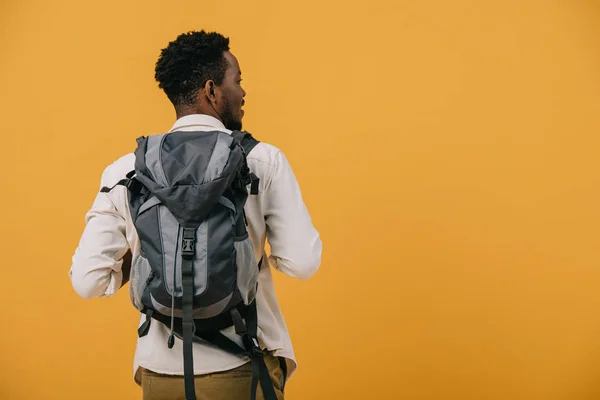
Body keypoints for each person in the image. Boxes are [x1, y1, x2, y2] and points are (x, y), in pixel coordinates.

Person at [68, 30, 322, 400]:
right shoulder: (262, 161)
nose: (243, 92)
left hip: (160, 372)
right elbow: (303, 262)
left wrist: (145, 253)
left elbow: (87, 281)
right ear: (211, 90)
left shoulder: (127, 170)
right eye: (237, 80)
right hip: (243, 366)